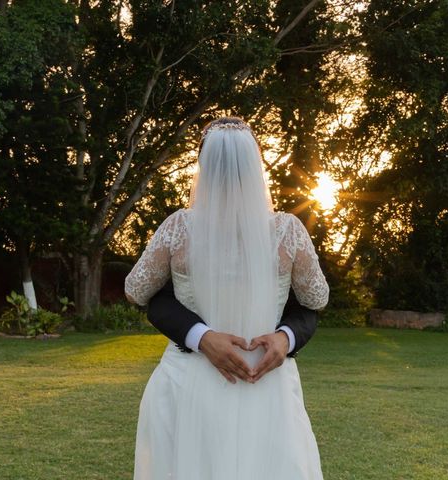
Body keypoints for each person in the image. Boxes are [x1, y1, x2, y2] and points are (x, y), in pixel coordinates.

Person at [125, 116, 329, 480]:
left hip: (200, 384)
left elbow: (135, 289)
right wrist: (200, 335)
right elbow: (318, 296)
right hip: (258, 384)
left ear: (202, 166)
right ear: (257, 165)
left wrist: (287, 337)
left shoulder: (178, 229)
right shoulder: (287, 232)